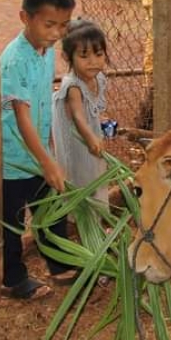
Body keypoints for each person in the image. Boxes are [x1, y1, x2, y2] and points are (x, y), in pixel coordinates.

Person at [0, 0, 77, 300]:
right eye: (49, 24)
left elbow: (43, 105)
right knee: (11, 224)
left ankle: (59, 264)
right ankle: (12, 279)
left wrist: (50, 154)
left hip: (39, 155)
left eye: (63, 25)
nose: (57, 33)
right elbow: (22, 117)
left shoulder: (45, 52)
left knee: (50, 212)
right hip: (13, 160)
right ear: (25, 18)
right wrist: (48, 162)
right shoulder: (15, 59)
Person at [51, 19, 111, 208]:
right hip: (76, 140)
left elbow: (94, 109)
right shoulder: (74, 87)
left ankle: (94, 213)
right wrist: (91, 137)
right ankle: (77, 216)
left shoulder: (99, 79)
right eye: (84, 56)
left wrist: (100, 120)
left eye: (98, 54)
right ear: (68, 58)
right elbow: (78, 116)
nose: (93, 61)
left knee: (95, 174)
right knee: (79, 176)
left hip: (89, 134)